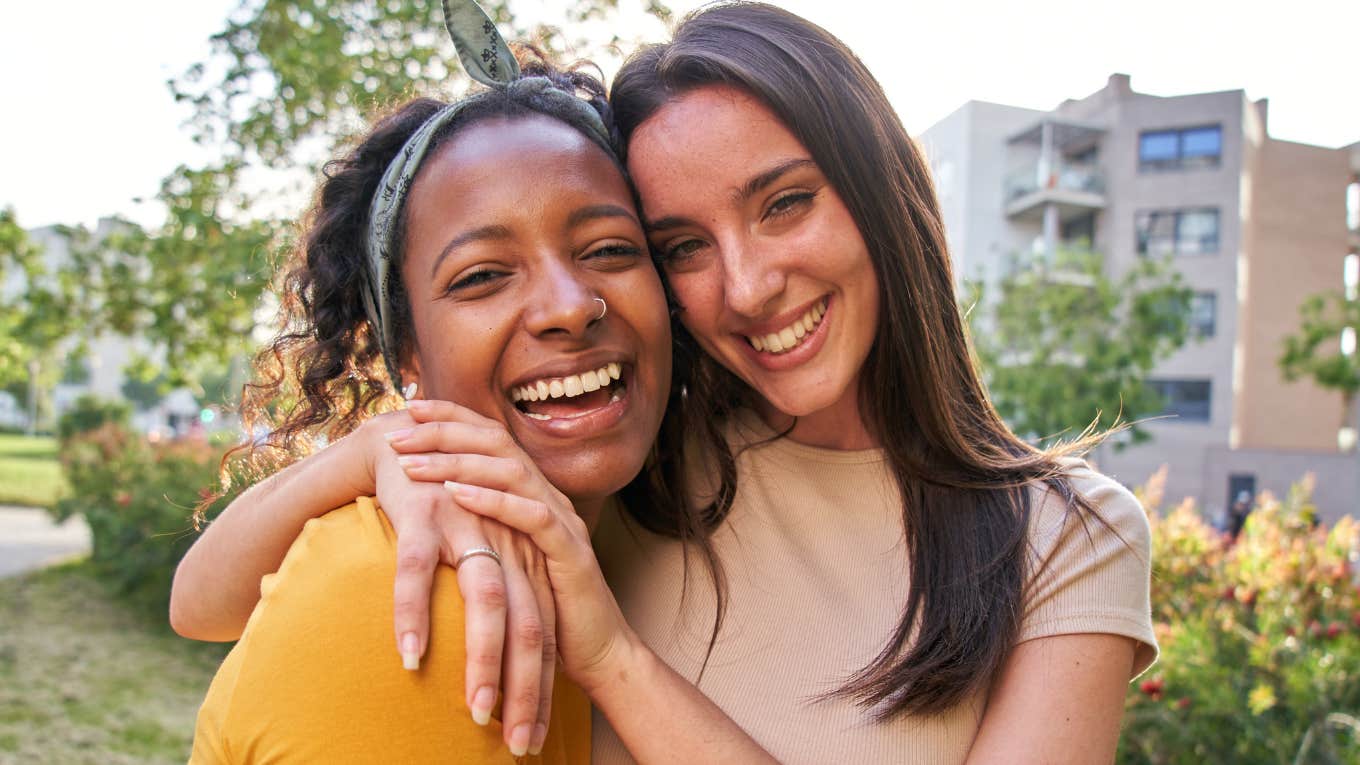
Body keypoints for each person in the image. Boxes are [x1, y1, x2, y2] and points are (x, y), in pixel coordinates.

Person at [177, 2, 1157, 763]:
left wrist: (614, 661)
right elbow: (206, 606)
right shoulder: (624, 463)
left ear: (881, 186)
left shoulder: (1066, 539)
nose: (747, 283)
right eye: (681, 244)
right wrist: (375, 448)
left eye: (784, 203)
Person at [184, 3, 778, 761]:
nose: (570, 305)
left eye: (608, 248)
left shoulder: (618, 538)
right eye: (484, 275)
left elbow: (195, 603)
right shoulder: (428, 603)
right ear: (406, 355)